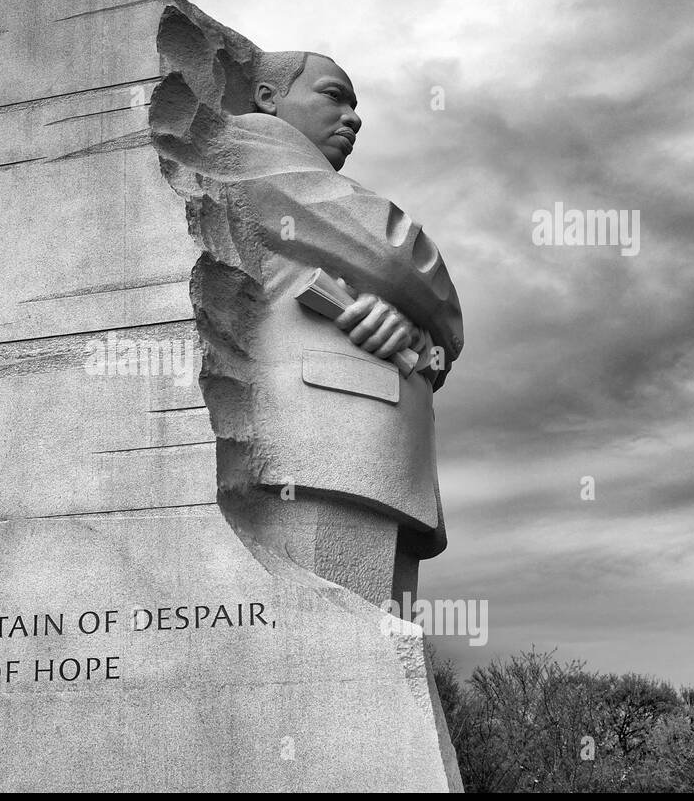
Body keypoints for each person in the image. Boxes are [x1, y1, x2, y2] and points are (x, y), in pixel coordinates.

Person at [153, 49, 464, 605]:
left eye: (356, 105)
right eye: (332, 95)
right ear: (269, 99)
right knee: (332, 653)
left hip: (365, 438)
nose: (353, 118)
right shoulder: (253, 152)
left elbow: (416, 309)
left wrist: (411, 330)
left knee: (361, 662)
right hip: (326, 437)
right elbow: (404, 259)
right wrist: (422, 311)